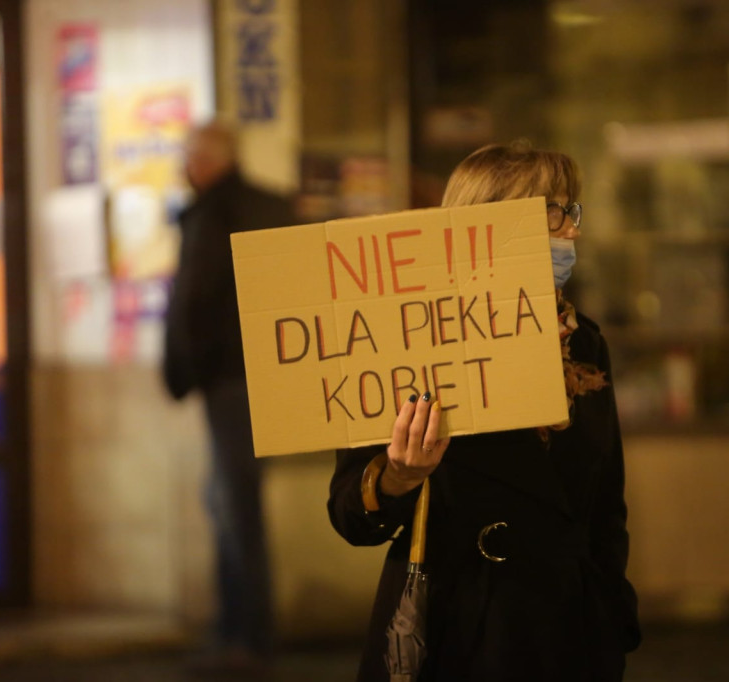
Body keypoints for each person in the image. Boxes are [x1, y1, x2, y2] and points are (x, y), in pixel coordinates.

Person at [327, 142, 642, 681]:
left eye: (572, 211)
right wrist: (400, 478)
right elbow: (350, 511)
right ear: (490, 228)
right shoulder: (407, 344)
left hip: (570, 631)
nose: (572, 231)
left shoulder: (584, 344)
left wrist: (609, 604)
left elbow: (606, 505)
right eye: (553, 213)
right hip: (466, 632)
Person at [162, 120, 295, 669]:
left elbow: (201, 298)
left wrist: (186, 366)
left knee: (234, 503)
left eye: (190, 154)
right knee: (228, 500)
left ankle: (246, 637)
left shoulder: (223, 212)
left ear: (212, 159)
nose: (184, 166)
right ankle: (235, 632)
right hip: (245, 374)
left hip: (232, 377)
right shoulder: (253, 207)